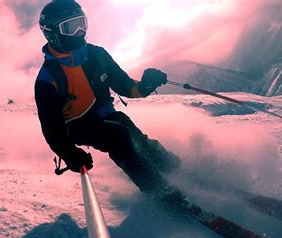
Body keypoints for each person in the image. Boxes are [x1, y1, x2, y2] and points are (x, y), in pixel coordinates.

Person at [34, 0, 181, 194]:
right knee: (119, 137)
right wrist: (70, 154)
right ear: (52, 33)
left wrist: (146, 85)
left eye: (82, 23)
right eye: (70, 27)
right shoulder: (48, 78)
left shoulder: (97, 55)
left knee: (137, 138)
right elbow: (52, 129)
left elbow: (126, 87)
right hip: (78, 125)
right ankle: (158, 189)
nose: (79, 32)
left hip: (106, 113)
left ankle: (175, 167)